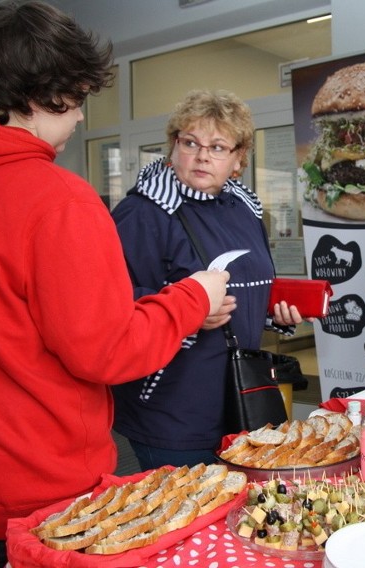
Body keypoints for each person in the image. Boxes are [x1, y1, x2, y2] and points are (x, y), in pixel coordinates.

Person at [0, 3, 230, 568]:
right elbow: (106, 349)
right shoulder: (56, 199)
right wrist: (195, 296)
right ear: (49, 93)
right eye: (79, 100)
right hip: (33, 500)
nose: (79, 121)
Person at [111, 89, 305, 470]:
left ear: (237, 159)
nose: (202, 156)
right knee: (186, 519)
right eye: (190, 142)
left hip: (238, 397)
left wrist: (271, 314)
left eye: (218, 147)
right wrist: (188, 312)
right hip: (173, 405)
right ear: (172, 146)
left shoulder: (244, 209)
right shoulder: (143, 212)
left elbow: (246, 283)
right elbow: (115, 304)